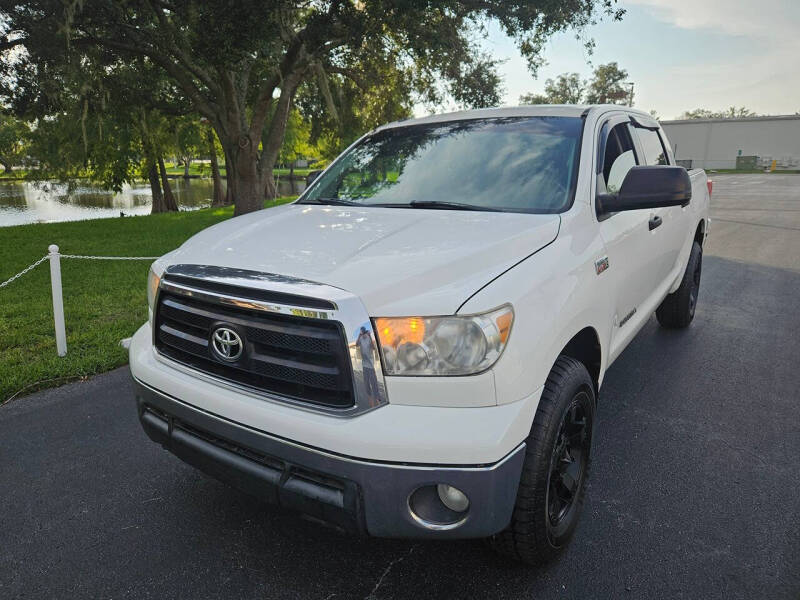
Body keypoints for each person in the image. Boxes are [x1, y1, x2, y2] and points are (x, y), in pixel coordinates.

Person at [356, 326, 380, 405]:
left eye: (363, 331)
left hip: (371, 365)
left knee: (374, 383)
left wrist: (370, 336)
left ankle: (377, 399)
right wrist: (359, 335)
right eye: (361, 332)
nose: (363, 333)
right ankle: (370, 399)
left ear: (366, 332)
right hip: (364, 365)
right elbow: (356, 345)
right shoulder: (360, 339)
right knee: (366, 383)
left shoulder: (369, 338)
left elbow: (373, 348)